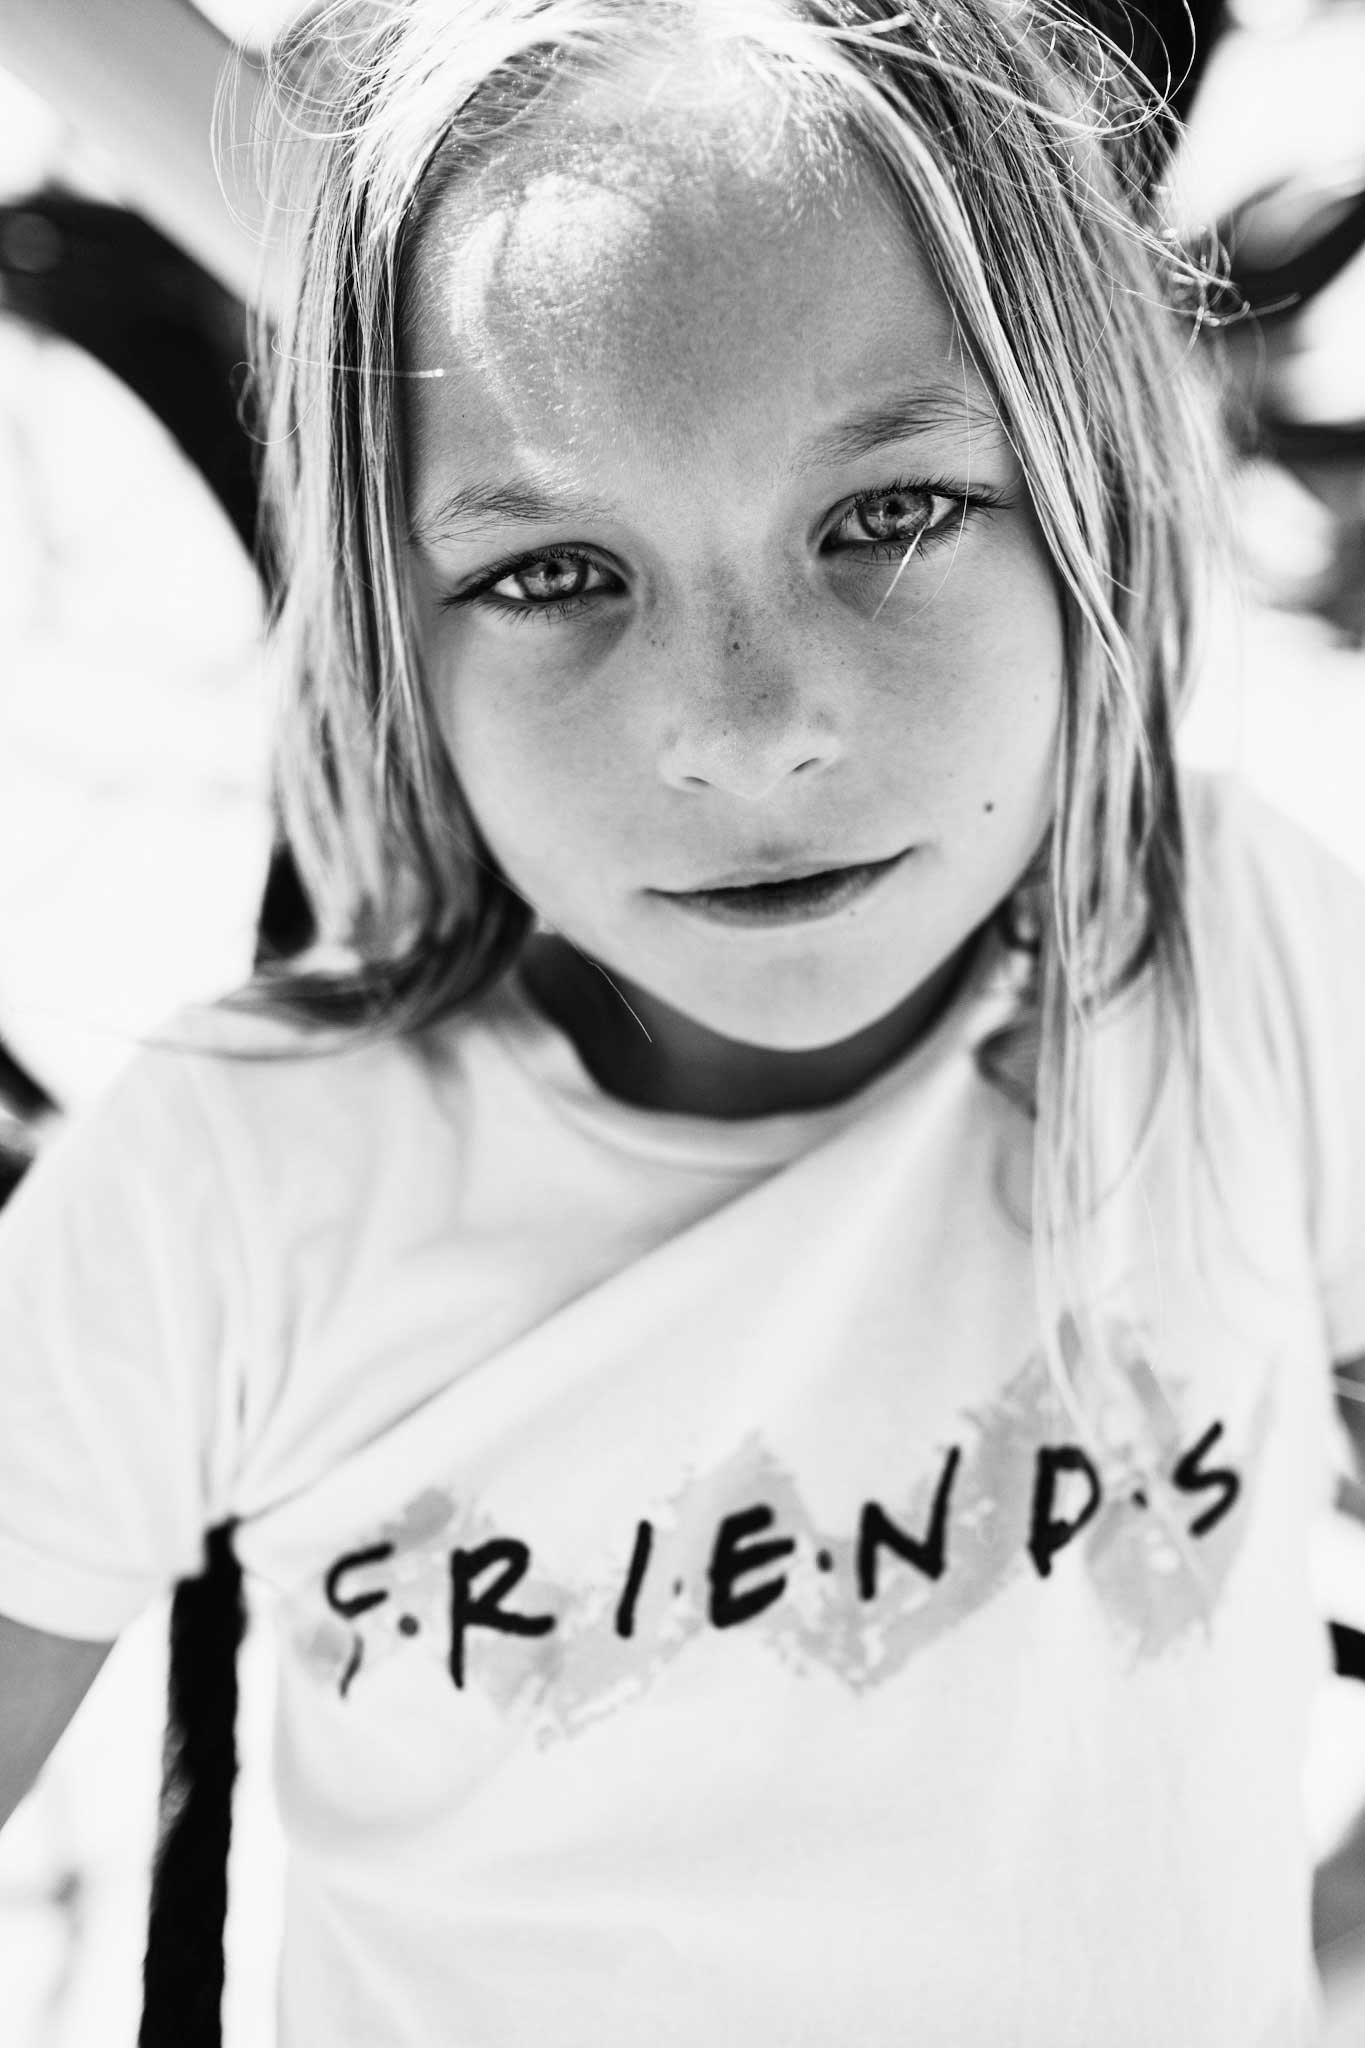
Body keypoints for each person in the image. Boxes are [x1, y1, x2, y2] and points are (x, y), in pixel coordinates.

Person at [1, 0, 1364, 2042]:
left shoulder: (1229, 968)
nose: (736, 730)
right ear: (397, 634)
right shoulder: (237, 1191)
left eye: (885, 518)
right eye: (553, 569)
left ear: (1094, 511)